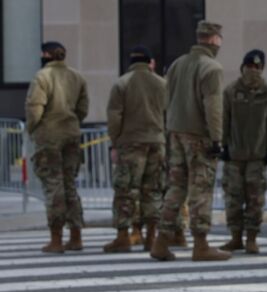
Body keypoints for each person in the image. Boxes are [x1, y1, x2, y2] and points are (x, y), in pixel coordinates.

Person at [150, 20, 229, 261]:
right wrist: (217, 139)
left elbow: (166, 100)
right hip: (198, 136)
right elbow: (213, 106)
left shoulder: (176, 65)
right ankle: (201, 244)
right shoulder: (211, 68)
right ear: (215, 39)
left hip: (175, 133)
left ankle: (161, 241)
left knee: (175, 188)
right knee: (201, 190)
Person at [25, 41, 89, 253]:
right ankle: (76, 235)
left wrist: (33, 128)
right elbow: (83, 108)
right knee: (70, 184)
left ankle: (56, 238)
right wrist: (72, 122)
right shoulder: (77, 77)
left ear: (47, 55)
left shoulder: (42, 77)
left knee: (53, 186)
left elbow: (35, 108)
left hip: (49, 136)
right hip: (71, 134)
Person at [220, 49, 267, 254]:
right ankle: (235, 237)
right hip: (234, 157)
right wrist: (223, 146)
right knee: (233, 198)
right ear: (243, 67)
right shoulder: (231, 91)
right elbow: (223, 120)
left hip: (258, 157)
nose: (252, 70)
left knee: (255, 200)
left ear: (262, 68)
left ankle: (252, 238)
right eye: (249, 66)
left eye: (257, 67)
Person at [104, 45, 167, 253]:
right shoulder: (162, 83)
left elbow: (114, 117)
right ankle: (151, 236)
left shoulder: (122, 83)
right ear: (149, 61)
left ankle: (123, 236)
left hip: (130, 143)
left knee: (126, 191)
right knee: (153, 190)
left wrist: (115, 143)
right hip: (157, 142)